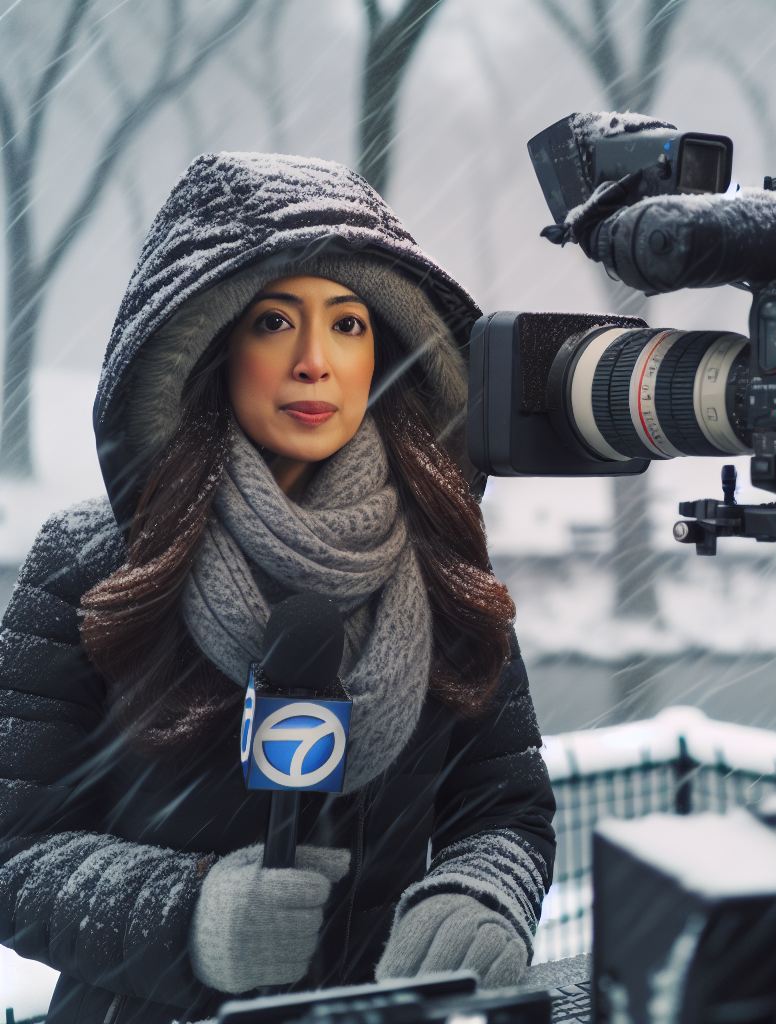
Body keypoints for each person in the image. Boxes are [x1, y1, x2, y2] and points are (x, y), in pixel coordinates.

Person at [0, 153, 555, 1024]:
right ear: (210, 346)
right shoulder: (88, 566)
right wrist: (190, 918)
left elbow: (505, 806)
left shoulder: (444, 559)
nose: (313, 361)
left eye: (348, 324)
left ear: (385, 351)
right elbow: (14, 847)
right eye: (273, 322)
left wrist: (480, 896)